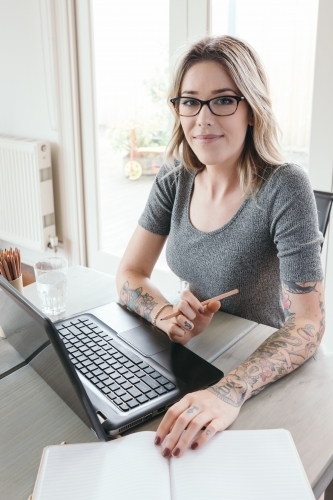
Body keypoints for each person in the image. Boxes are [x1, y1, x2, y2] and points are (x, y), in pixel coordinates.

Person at [116, 35, 325, 458]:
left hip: (264, 371)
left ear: (251, 109)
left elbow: (308, 323)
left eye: (223, 100)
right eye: (190, 101)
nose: (202, 118)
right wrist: (166, 315)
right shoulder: (175, 177)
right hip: (199, 354)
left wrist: (228, 391)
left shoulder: (285, 186)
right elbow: (129, 275)